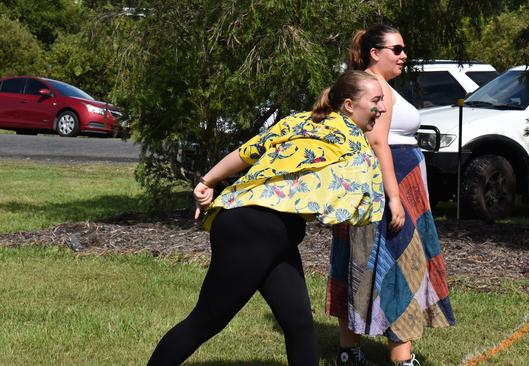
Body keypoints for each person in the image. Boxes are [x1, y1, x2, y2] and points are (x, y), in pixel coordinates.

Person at [147, 70, 387, 366]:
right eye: (376, 100)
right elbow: (370, 204)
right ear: (350, 105)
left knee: (298, 323)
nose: (383, 108)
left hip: (263, 229)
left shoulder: (301, 120)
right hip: (255, 230)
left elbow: (247, 151)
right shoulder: (355, 143)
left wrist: (207, 181)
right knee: (206, 321)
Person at [327, 25, 456, 366]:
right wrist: (395, 198)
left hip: (393, 183)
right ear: (375, 52)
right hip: (391, 185)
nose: (403, 55)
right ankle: (402, 360)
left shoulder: (361, 84)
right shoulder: (375, 87)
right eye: (396, 49)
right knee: (400, 266)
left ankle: (348, 352)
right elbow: (378, 142)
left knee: (359, 261)